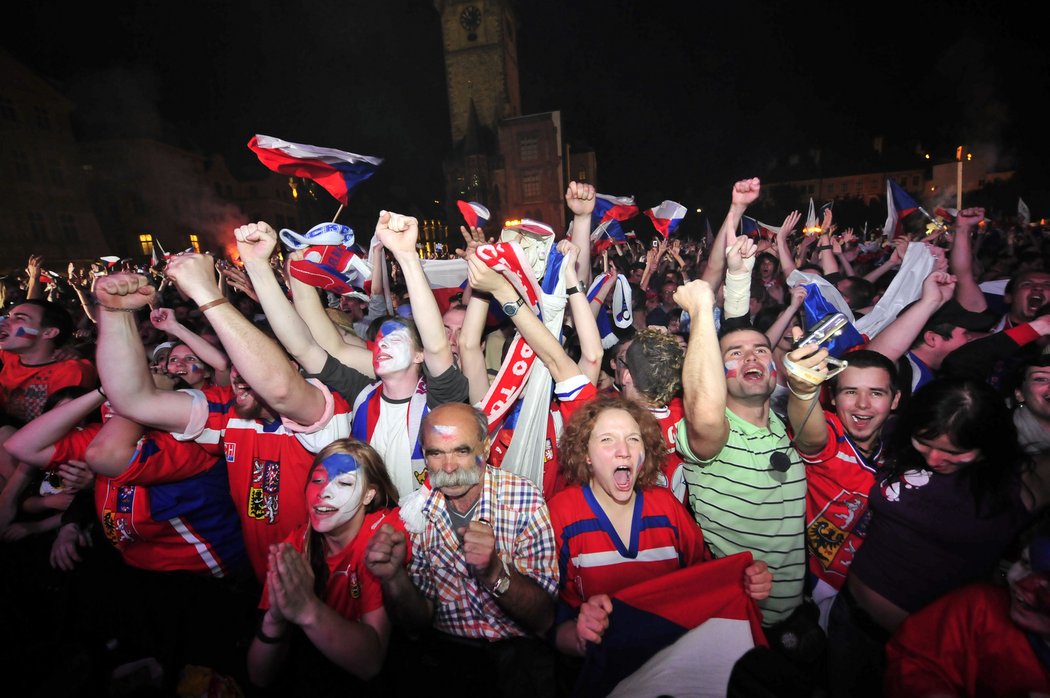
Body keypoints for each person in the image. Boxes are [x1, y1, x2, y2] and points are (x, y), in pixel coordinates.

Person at [91, 256, 351, 583]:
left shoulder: (325, 407)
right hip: (264, 580)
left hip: (328, 586)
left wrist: (206, 291)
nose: (240, 374)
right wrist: (116, 314)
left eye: (251, 364)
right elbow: (134, 400)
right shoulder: (229, 411)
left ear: (296, 368)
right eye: (237, 364)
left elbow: (281, 389)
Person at [827, 377, 1042, 696]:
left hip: (928, 654)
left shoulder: (1021, 484)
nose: (933, 459)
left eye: (954, 452)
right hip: (847, 617)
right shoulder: (894, 438)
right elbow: (862, 372)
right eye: (924, 442)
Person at [235, 214, 469, 499]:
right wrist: (261, 267)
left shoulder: (442, 398)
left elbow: (437, 346)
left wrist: (407, 256)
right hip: (373, 528)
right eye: (379, 341)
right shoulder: (362, 394)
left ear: (419, 355)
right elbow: (305, 347)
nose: (381, 346)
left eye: (394, 339)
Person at [673, 179, 807, 633]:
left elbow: (739, 328)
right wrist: (700, 311)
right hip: (741, 625)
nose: (752, 357)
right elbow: (707, 397)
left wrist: (737, 271)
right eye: (735, 357)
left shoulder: (791, 423)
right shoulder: (713, 437)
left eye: (761, 351)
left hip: (802, 616)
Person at [548, 394, 772, 659]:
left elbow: (704, 583)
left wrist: (744, 582)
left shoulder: (666, 507)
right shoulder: (562, 513)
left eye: (633, 438)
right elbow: (550, 623)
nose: (624, 450)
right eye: (607, 439)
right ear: (585, 454)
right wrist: (579, 636)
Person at [364, 402, 559, 698]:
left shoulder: (523, 498)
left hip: (520, 660)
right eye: (436, 453)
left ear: (486, 446)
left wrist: (494, 572)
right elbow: (417, 622)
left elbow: (544, 617)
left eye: (461, 451)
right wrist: (394, 579)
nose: (449, 466)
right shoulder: (415, 512)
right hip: (445, 658)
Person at [247, 438, 404, 694]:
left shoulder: (382, 536)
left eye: (343, 483)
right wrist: (275, 618)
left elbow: (371, 663)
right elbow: (258, 676)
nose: (324, 492)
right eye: (317, 480)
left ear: (369, 495)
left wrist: (307, 609)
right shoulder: (297, 544)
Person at [783, 346, 901, 630]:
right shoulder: (830, 433)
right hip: (819, 586)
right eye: (850, 392)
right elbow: (811, 438)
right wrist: (803, 390)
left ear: (895, 400)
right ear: (833, 398)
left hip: (876, 587)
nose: (862, 404)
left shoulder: (903, 449)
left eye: (876, 393)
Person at [883, 517, 1050, 697]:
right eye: (1025, 562)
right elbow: (912, 662)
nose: (1018, 579)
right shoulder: (981, 609)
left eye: (1046, 585)